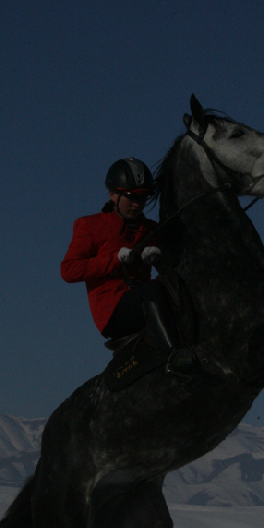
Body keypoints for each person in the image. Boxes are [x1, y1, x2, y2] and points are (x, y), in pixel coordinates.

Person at [61, 157, 196, 378]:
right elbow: (68, 270)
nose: (137, 204)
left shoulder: (152, 228)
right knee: (154, 290)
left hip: (146, 301)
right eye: (131, 197)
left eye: (142, 198)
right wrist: (115, 260)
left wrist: (160, 261)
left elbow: (171, 269)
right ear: (113, 195)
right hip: (113, 312)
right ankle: (175, 356)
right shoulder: (89, 225)